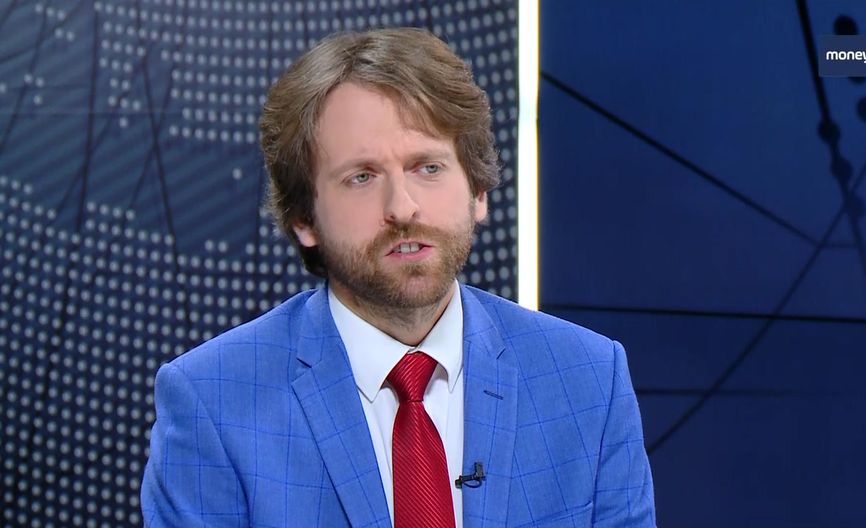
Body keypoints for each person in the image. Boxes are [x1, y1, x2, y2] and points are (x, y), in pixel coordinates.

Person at [140, 27, 655, 527]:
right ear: (303, 219)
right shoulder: (212, 401)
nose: (403, 207)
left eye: (427, 167)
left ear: (478, 191)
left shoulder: (588, 379)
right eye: (362, 177)